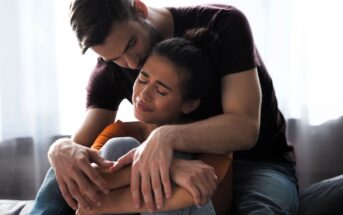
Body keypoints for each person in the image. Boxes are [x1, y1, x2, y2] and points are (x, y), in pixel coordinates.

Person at [31, 0, 299, 214]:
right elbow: (82, 145)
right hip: (180, 163)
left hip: (258, 163)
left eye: (130, 44)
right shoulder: (112, 67)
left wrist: (164, 136)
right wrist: (59, 149)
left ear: (139, 8)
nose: (131, 64)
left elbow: (244, 128)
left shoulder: (222, 23)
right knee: (72, 164)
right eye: (113, 58)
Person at [75, 28, 232, 214]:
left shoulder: (211, 141)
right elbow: (87, 183)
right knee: (121, 146)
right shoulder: (121, 132)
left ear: (189, 105)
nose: (144, 95)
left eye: (161, 90)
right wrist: (172, 169)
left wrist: (103, 205)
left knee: (178, 161)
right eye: (142, 79)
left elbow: (194, 192)